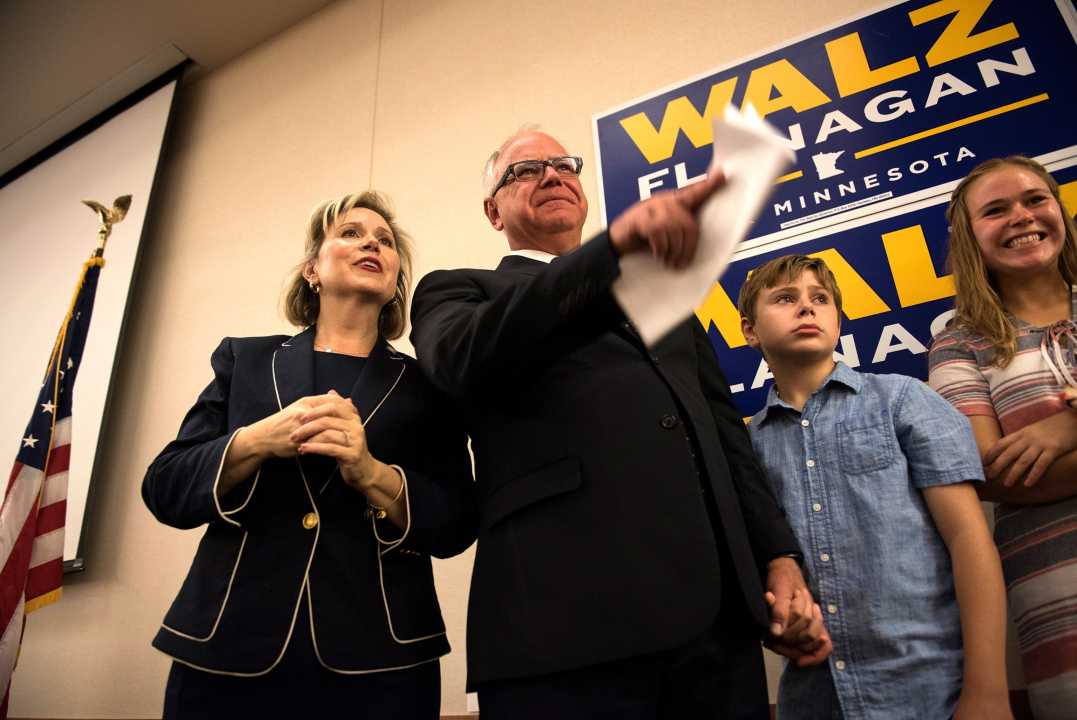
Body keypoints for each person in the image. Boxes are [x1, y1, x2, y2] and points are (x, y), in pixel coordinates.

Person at [409, 128, 828, 719]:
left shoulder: (663, 299)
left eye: (564, 165)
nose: (553, 175)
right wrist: (608, 255)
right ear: (492, 211)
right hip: (565, 637)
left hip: (716, 635)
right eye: (525, 171)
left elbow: (724, 437)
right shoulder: (459, 291)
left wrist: (779, 558)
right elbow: (461, 360)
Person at [142, 191, 475, 718]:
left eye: (385, 241)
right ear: (311, 271)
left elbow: (457, 523)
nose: (372, 242)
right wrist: (255, 440)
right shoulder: (244, 360)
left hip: (383, 661)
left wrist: (372, 474)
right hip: (227, 648)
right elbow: (165, 488)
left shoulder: (429, 387)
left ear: (394, 284)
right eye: (349, 233)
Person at [738, 254, 1011, 719]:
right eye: (785, 298)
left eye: (819, 299)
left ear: (839, 321)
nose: (807, 308)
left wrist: (989, 690)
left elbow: (969, 539)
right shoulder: (746, 448)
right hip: (814, 700)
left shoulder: (902, 399)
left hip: (931, 689)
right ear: (749, 330)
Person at [928, 156, 1077, 718]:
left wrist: (1066, 427)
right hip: (1060, 599)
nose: (1021, 216)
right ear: (970, 237)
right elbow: (992, 474)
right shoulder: (958, 344)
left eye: (1035, 199)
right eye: (995, 210)